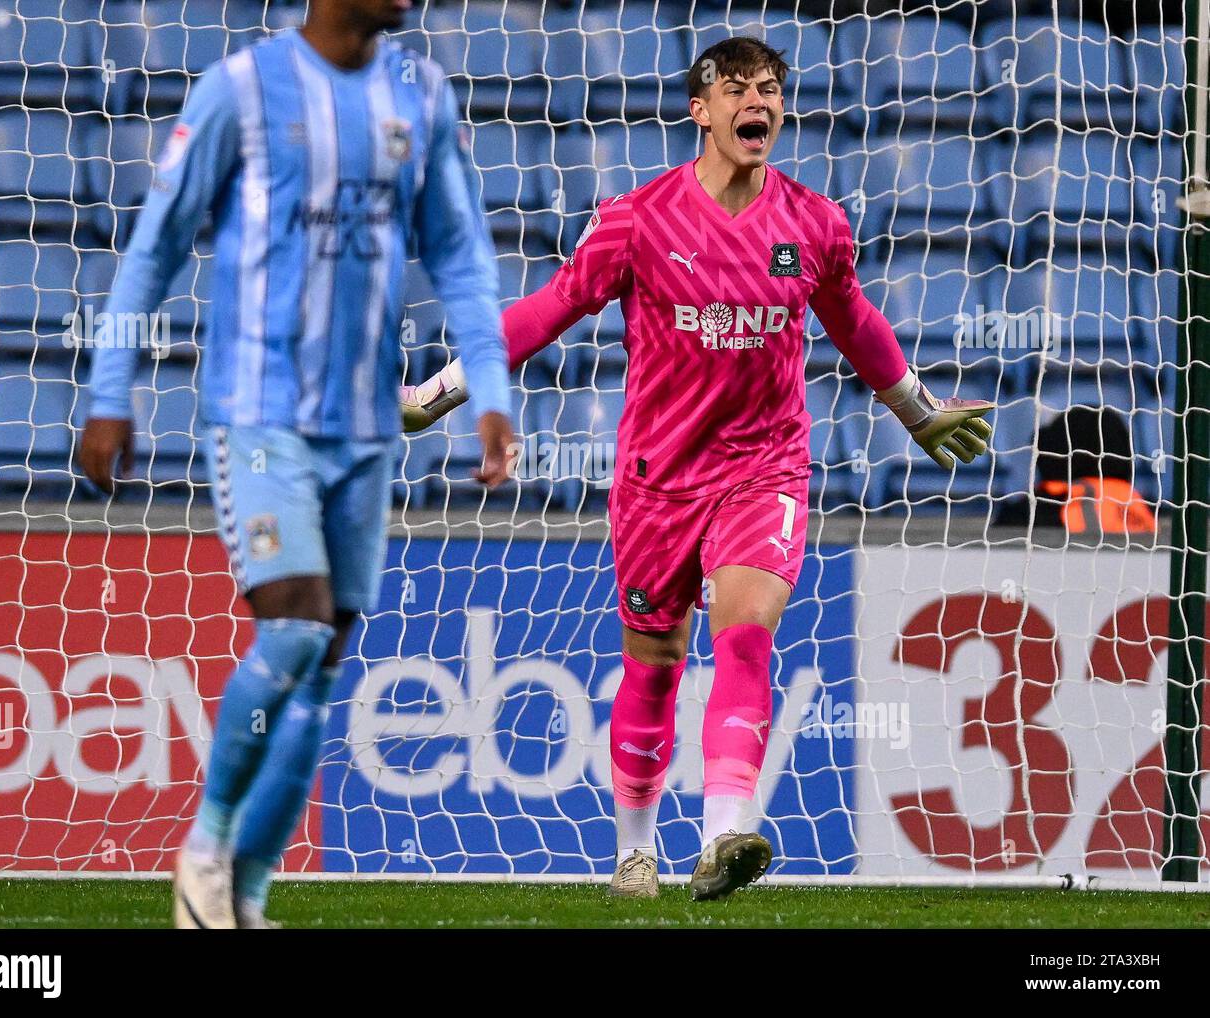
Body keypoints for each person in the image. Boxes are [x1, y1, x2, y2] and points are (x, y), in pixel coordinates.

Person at [400, 36, 993, 900]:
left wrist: (919, 412)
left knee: (747, 635)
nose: (761, 102)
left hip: (765, 469)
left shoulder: (815, 225)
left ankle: (725, 836)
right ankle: (634, 850)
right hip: (658, 478)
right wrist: (438, 394)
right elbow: (545, 312)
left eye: (773, 90)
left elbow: (854, 319)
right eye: (741, 89)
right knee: (654, 664)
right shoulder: (638, 220)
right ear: (701, 109)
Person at [79, 0, 513, 927]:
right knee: (297, 634)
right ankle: (206, 847)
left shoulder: (421, 94)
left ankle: (243, 897)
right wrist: (110, 389)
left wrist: (492, 390)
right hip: (259, 414)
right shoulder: (243, 90)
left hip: (366, 432)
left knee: (319, 671)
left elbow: (463, 256)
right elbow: (154, 247)